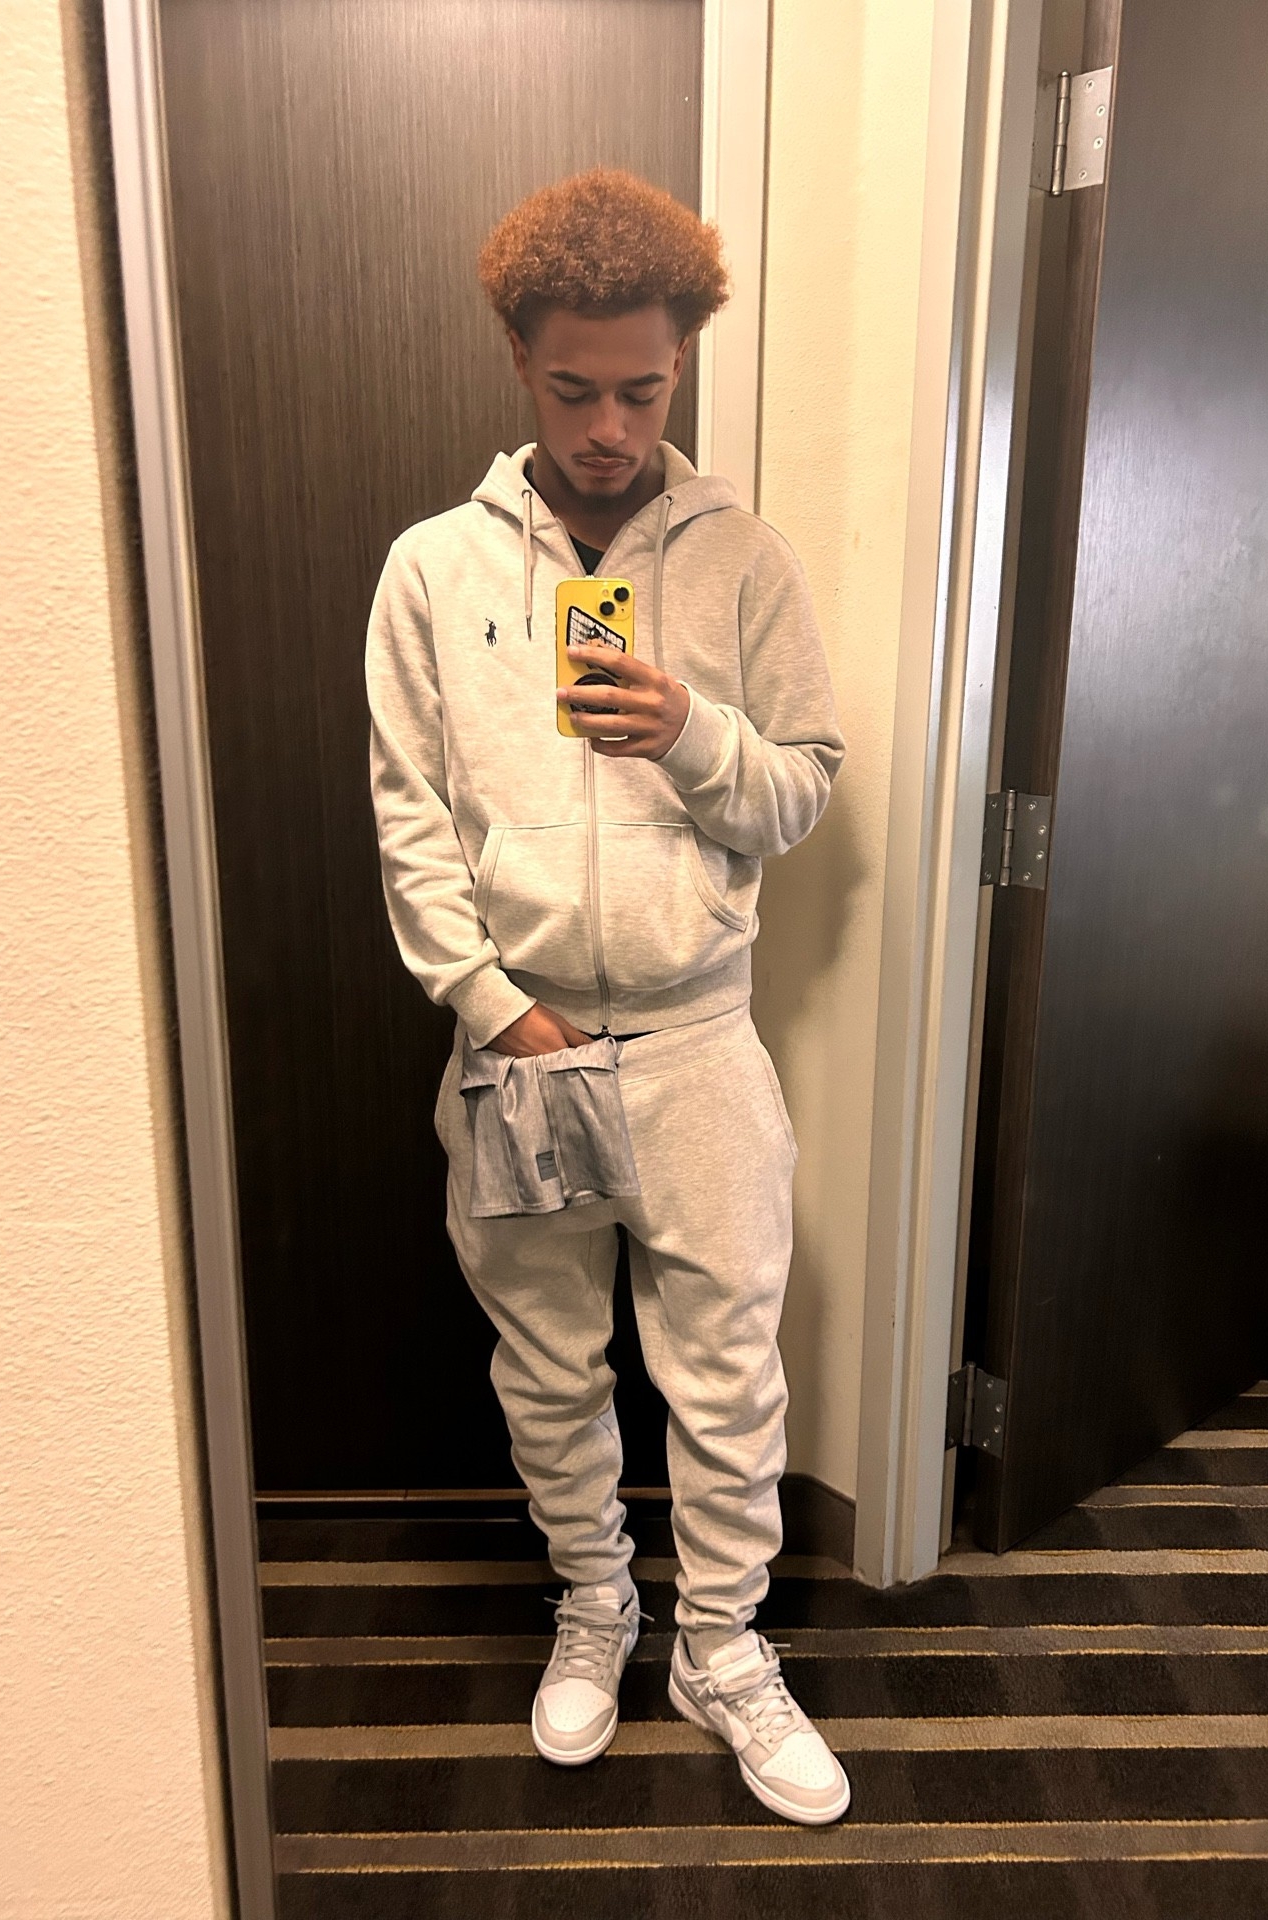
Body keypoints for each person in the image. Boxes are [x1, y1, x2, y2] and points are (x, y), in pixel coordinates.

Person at [365, 168, 849, 1825]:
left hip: (700, 1042)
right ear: (520, 356)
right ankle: (596, 1602)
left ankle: (724, 1645)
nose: (607, 428)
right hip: (521, 1043)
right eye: (573, 388)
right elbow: (410, 815)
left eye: (641, 389)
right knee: (548, 1364)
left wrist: (693, 733)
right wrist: (491, 1004)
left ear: (681, 358)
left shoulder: (745, 562)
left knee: (729, 1375)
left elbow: (802, 788)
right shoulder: (432, 570)